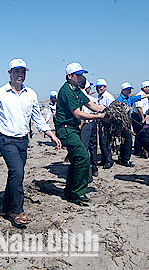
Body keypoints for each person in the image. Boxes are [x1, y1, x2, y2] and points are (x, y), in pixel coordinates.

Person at [0, 58, 61, 227]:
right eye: (16, 71)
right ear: (9, 73)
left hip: (23, 140)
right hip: (5, 139)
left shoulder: (31, 94)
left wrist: (51, 134)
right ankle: (17, 210)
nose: (20, 75)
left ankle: (6, 207)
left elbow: (37, 118)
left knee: (16, 173)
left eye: (23, 72)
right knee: (17, 171)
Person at [55, 62, 106, 205]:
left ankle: (70, 191)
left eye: (82, 75)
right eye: (78, 75)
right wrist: (100, 117)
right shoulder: (67, 90)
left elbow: (91, 105)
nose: (81, 78)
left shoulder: (77, 90)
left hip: (73, 129)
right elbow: (77, 113)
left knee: (76, 160)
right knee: (83, 158)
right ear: (70, 76)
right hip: (66, 129)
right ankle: (78, 193)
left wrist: (107, 110)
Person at [115, 82, 149, 167]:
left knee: (126, 140)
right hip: (123, 123)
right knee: (127, 140)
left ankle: (122, 158)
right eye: (127, 89)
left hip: (128, 121)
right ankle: (125, 159)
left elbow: (138, 97)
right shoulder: (119, 100)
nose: (129, 91)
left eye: (130, 89)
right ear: (122, 90)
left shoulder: (128, 98)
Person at [80, 80, 99, 179]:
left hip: (85, 126)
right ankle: (95, 169)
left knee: (84, 149)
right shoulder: (92, 99)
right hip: (93, 124)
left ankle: (88, 174)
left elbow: (82, 115)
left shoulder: (80, 98)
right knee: (93, 147)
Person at [96, 79, 115, 169]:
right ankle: (104, 159)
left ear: (105, 87)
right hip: (101, 122)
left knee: (106, 142)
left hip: (106, 123)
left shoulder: (109, 97)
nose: (98, 89)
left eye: (100, 87)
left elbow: (111, 112)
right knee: (102, 142)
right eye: (97, 87)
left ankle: (109, 160)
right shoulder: (100, 97)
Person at [132, 80, 149, 157]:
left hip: (141, 115)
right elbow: (139, 108)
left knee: (141, 132)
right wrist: (143, 118)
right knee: (139, 133)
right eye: (148, 87)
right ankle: (138, 150)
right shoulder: (139, 95)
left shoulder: (144, 95)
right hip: (138, 116)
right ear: (144, 87)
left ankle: (140, 149)